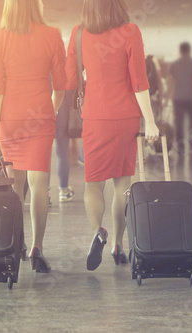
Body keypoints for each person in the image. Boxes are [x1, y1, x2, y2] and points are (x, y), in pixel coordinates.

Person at [65, 0, 159, 271]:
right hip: (126, 117)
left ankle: (98, 231)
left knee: (93, 184)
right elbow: (139, 81)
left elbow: (71, 79)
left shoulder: (78, 33)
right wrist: (150, 121)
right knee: (122, 184)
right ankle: (118, 245)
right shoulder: (130, 31)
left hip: (94, 117)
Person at [0, 0, 66, 273]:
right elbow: (61, 86)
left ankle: (16, 244)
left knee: (16, 187)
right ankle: (37, 248)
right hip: (40, 120)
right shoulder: (52, 35)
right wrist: (50, 112)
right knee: (39, 183)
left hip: (9, 121)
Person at [165, 42, 192, 160]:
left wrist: (167, 98)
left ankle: (181, 148)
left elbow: (170, 82)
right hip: (191, 98)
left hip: (178, 98)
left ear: (180, 51)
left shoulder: (174, 65)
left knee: (179, 124)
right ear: (189, 50)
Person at [50, 89, 75, 203]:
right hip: (63, 109)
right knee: (62, 153)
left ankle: (45, 193)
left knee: (44, 156)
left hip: (43, 110)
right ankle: (63, 190)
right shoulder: (64, 71)